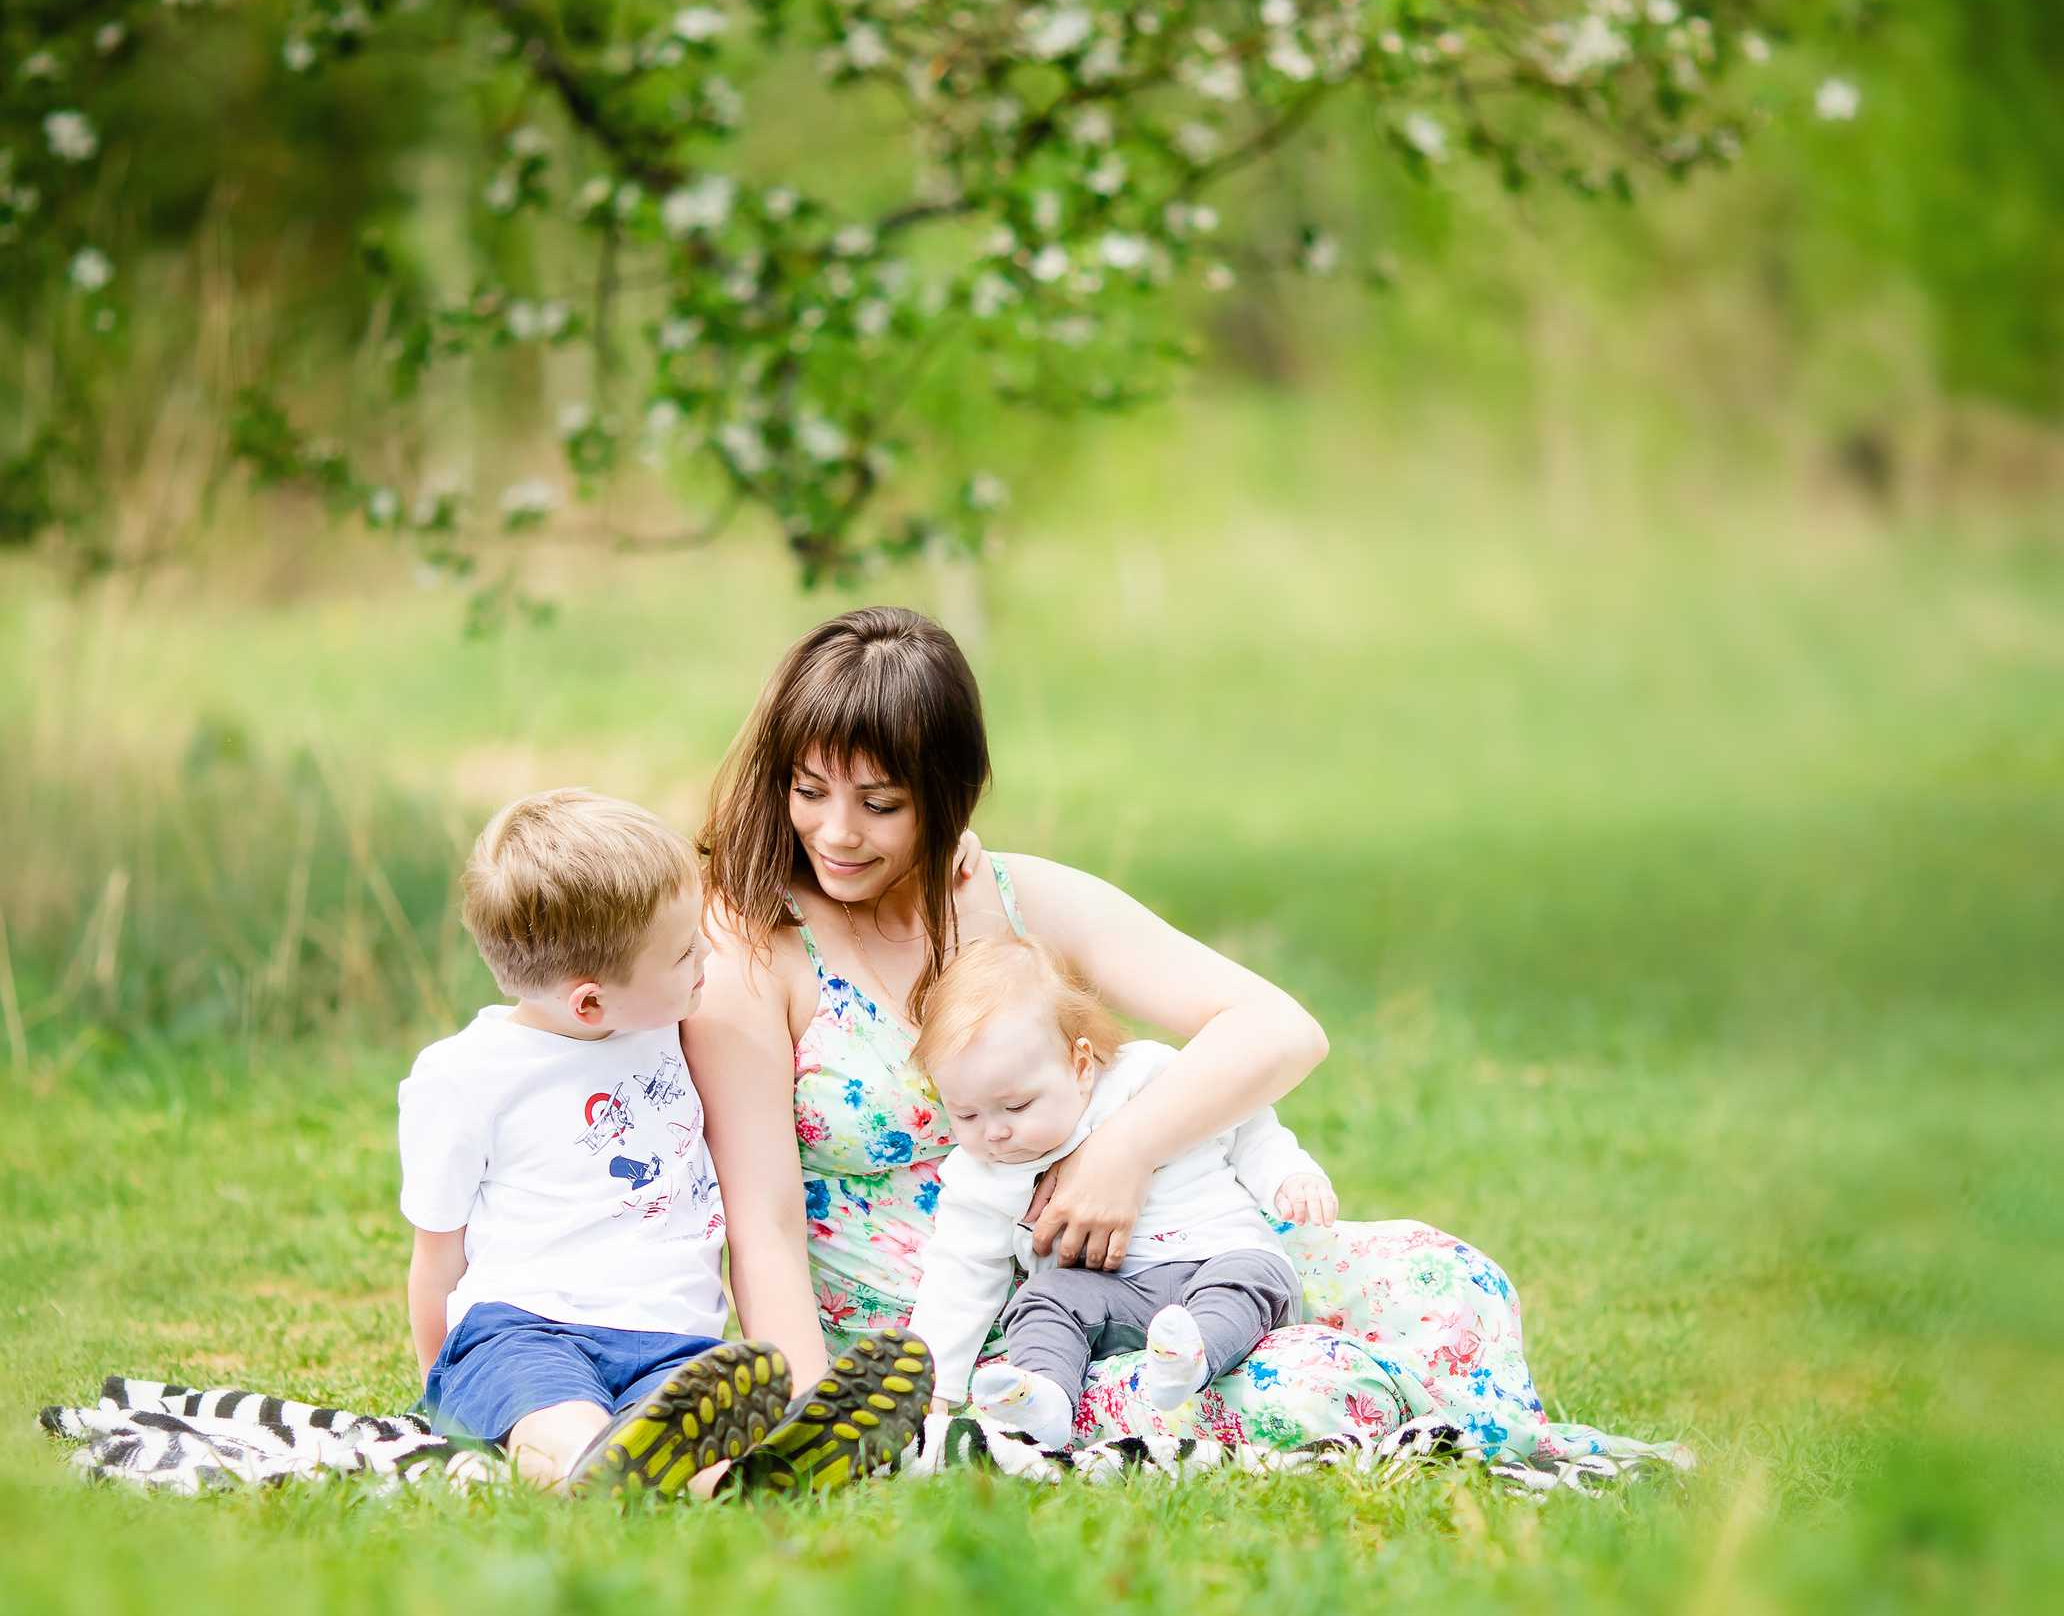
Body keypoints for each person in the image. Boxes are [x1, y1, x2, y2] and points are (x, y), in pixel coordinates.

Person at [685, 607, 1683, 1469]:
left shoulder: (1013, 898)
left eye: (881, 804)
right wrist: (819, 1426)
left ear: (950, 794)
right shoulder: (755, 945)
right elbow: (762, 1223)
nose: (837, 834)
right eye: (809, 789)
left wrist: (1122, 1150)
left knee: (1444, 1279)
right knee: (1317, 1387)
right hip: (949, 1329)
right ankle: (992, 1426)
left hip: (1151, 1260)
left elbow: (1278, 1030)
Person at [400, 788, 929, 1497]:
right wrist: (445, 1388)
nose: (710, 950)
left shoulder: (661, 1016)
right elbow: (435, 1259)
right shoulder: (465, 1077)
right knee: (559, 1417)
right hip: (523, 1329)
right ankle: (588, 1469)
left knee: (698, 1427)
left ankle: (754, 1477)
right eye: (685, 952)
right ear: (590, 1001)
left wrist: (942, 850)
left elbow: (766, 865)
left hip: (673, 1341)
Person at [905, 934, 1337, 1448]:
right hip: (1113, 1294)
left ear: (1081, 1065)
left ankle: (1193, 1354)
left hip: (1218, 1252)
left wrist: (1289, 1174)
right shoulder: (980, 1175)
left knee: (1250, 1279)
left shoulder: (1145, 1076)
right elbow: (959, 1275)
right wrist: (933, 1387)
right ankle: (1044, 1401)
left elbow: (1244, 1124)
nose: (994, 1132)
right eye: (967, 1114)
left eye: (1016, 1107)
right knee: (1042, 1299)